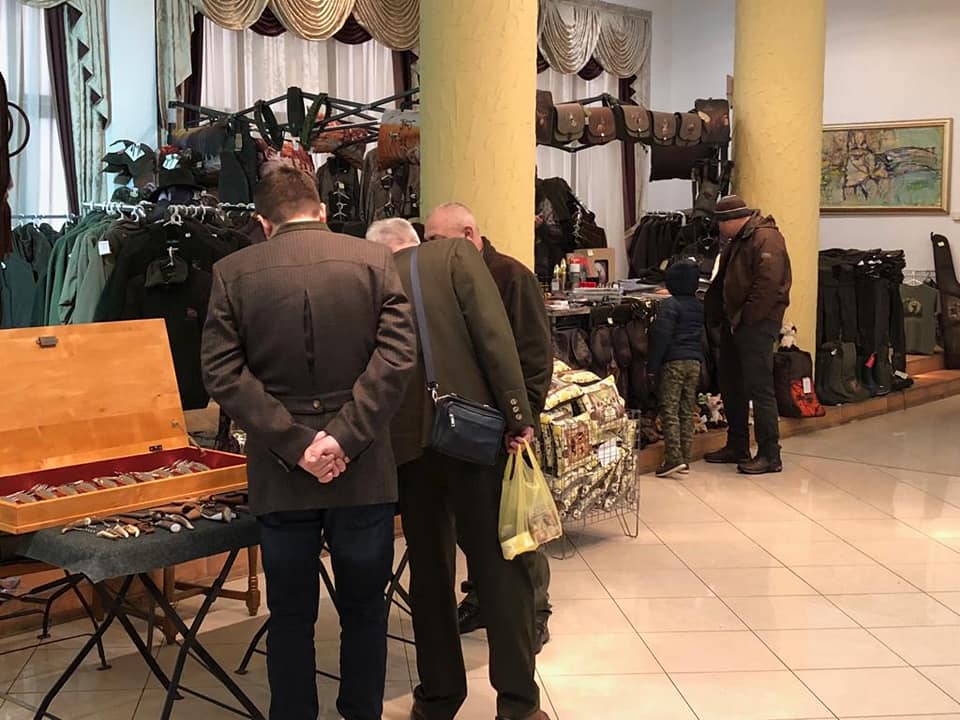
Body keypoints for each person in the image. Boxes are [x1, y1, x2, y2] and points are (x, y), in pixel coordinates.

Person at [201, 163, 418, 720]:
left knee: (290, 614)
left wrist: (296, 443)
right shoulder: (374, 261)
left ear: (263, 222)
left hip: (281, 470)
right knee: (365, 610)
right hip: (361, 464)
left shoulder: (232, 272)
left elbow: (221, 373)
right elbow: (398, 358)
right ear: (321, 211)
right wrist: (342, 438)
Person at [372, 216, 550, 720]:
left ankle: (437, 697)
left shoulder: (370, 274)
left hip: (407, 448)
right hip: (471, 438)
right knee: (501, 569)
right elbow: (495, 340)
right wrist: (518, 416)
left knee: (429, 574)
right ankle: (518, 704)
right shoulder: (454, 257)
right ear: (415, 242)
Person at [422, 203, 554, 652]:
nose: (429, 249)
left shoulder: (511, 277)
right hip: (460, 429)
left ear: (468, 234)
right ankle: (481, 600)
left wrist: (524, 419)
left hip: (506, 427)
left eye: (437, 240)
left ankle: (534, 612)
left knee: (518, 524)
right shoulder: (440, 277)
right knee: (474, 528)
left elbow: (534, 354)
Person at [703, 195, 792, 475]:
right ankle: (737, 445)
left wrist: (746, 319)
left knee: (760, 389)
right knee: (732, 385)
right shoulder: (740, 239)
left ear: (732, 220)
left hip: (755, 324)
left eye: (720, 223)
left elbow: (769, 287)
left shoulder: (766, 239)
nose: (719, 228)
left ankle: (770, 454)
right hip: (736, 323)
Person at [648, 259, 705, 477]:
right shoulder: (698, 306)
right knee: (686, 410)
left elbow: (661, 336)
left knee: (669, 409)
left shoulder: (670, 306)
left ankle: (673, 458)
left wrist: (653, 366)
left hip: (674, 362)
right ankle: (685, 457)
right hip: (694, 362)